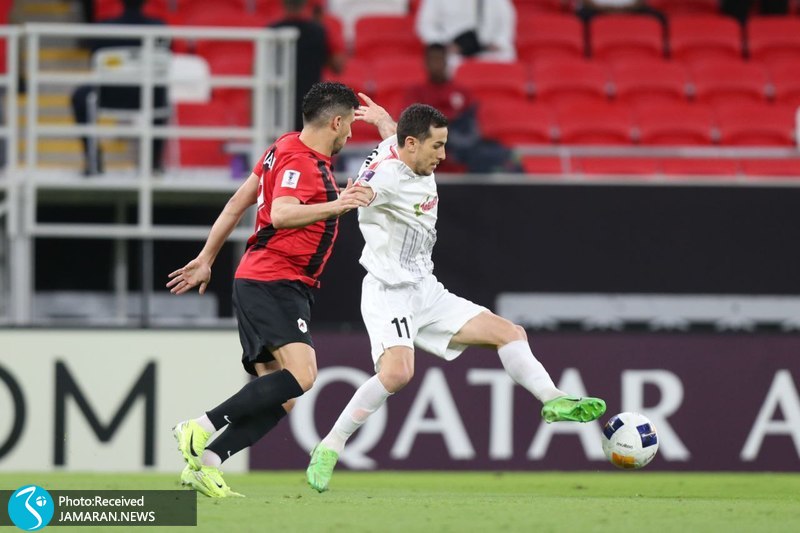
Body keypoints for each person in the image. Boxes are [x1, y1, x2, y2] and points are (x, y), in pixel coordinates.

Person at [305, 102, 607, 493]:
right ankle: (331, 445)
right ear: (413, 145)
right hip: (389, 291)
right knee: (398, 374)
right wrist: (348, 197)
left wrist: (382, 120)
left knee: (509, 333)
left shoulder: (401, 146)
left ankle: (554, 399)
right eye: (437, 146)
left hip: (426, 290)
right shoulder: (387, 176)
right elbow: (369, 187)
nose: (444, 155)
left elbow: (392, 136)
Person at [169, 82, 374, 498]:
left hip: (266, 281)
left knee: (282, 396)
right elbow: (281, 214)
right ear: (336, 122)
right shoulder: (301, 161)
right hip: (273, 280)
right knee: (303, 374)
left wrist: (207, 258)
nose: (351, 133)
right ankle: (200, 426)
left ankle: (207, 464)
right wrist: (339, 203)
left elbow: (237, 203)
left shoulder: (282, 146)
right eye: (351, 124)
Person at [70, 0, 169, 176]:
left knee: (80, 95)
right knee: (161, 91)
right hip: (148, 98)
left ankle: (93, 160)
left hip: (110, 96)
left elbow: (93, 63)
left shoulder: (104, 28)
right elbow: (164, 64)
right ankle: (153, 163)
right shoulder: (159, 28)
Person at [403, 43, 521, 173]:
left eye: (439, 59)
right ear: (426, 63)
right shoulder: (415, 94)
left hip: (463, 148)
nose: (436, 64)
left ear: (446, 62)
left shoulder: (462, 92)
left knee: (502, 155)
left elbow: (473, 126)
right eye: (433, 60)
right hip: (432, 148)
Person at [270, 0, 346, 131]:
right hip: (309, 105)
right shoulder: (318, 32)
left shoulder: (272, 32)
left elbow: (257, 70)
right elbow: (337, 66)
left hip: (277, 107)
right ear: (305, 4)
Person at [415, 0, 517, 68]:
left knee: (506, 58)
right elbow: (425, 26)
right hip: (453, 52)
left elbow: (506, 22)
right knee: (441, 64)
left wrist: (498, 42)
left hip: (488, 50)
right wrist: (445, 45)